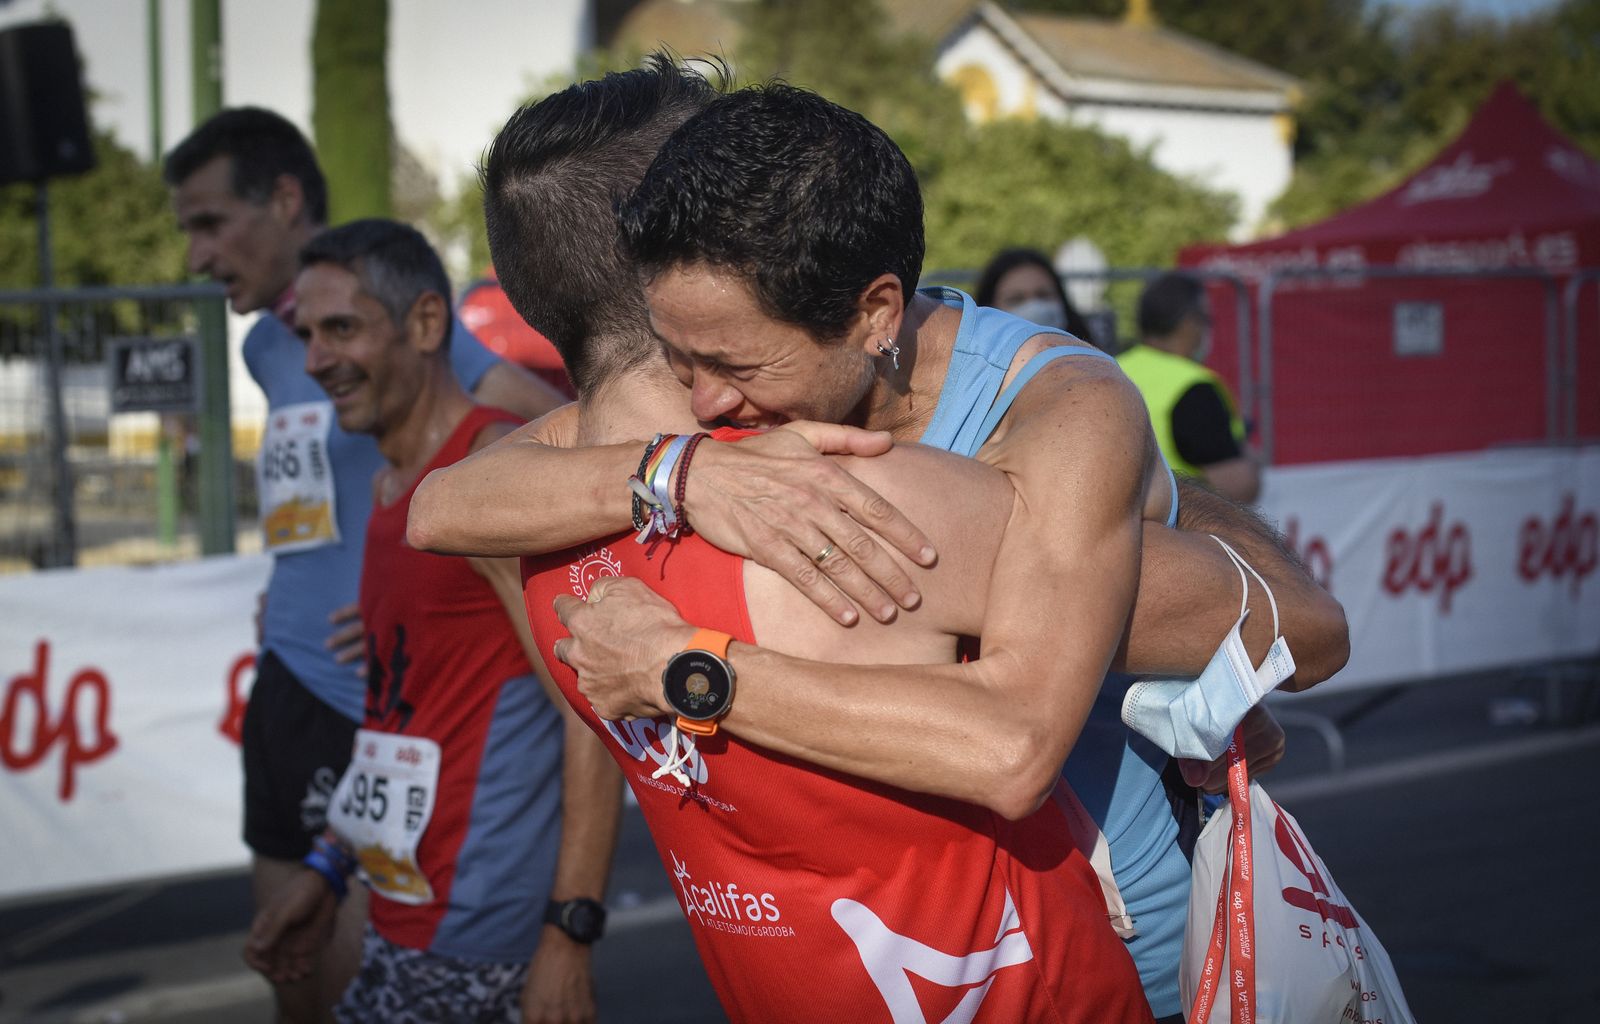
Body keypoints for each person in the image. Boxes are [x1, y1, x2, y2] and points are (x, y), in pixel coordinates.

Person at [412, 66, 1347, 1023]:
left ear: (873, 316)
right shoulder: (725, 414)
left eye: (733, 366)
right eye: (681, 360)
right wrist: (683, 472)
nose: (703, 404)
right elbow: (443, 506)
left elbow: (1045, 733)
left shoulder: (1045, 424)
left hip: (1138, 953)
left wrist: (686, 670)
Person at [163, 107, 567, 1021]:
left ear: (285, 199)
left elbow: (535, 430)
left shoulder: (387, 320)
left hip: (378, 705)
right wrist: (297, 582)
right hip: (290, 682)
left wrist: (401, 597)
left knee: (375, 972)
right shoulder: (271, 345)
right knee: (291, 965)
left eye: (210, 223)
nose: (196, 255)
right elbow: (324, 491)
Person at [241, 219, 622, 1022]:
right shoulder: (391, 494)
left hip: (482, 928)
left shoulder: (491, 477)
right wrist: (325, 870)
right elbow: (398, 724)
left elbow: (594, 714)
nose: (316, 361)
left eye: (342, 328)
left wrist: (569, 933)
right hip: (396, 907)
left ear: (424, 323)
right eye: (308, 334)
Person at [1119, 272, 1261, 503]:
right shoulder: (1193, 388)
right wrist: (1250, 458)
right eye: (1206, 319)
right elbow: (1239, 487)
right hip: (1177, 530)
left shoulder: (1111, 367)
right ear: (1188, 322)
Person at [973, 246, 1093, 341]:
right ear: (989, 308)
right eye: (1016, 299)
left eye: (1043, 295)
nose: (1033, 307)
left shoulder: (1095, 364)